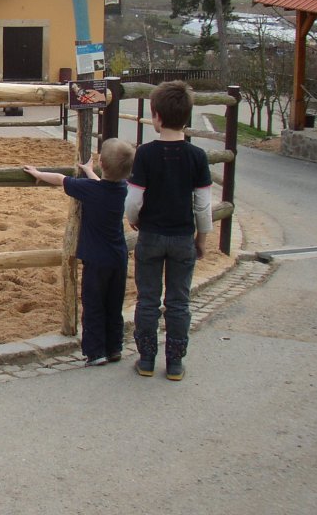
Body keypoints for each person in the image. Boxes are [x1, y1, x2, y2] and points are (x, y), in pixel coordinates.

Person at [124, 81, 213, 382]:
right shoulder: (197, 156)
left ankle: (147, 359)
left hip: (150, 235)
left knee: (148, 299)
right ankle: (174, 362)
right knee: (178, 301)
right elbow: (203, 205)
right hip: (182, 237)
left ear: (157, 116)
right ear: (186, 116)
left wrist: (134, 219)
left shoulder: (145, 154)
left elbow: (134, 200)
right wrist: (202, 238)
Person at [23, 137, 135, 366]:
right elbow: (102, 184)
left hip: (96, 259)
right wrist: (90, 171)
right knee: (114, 304)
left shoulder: (89, 189)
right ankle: (114, 347)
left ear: (101, 163)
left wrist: (38, 173)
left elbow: (60, 179)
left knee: (93, 305)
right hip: (118, 257)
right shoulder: (122, 189)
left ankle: (95, 352)